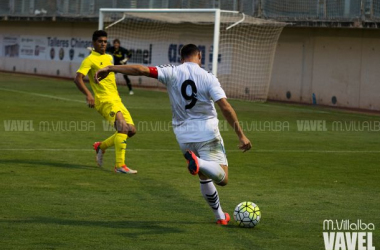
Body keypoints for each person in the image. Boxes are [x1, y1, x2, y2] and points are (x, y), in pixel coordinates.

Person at [95, 44, 252, 225]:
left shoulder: (171, 71)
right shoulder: (208, 77)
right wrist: (241, 135)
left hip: (183, 137)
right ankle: (198, 162)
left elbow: (140, 69)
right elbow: (225, 107)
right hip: (207, 133)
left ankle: (220, 216)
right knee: (223, 178)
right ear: (199, 56)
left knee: (204, 174)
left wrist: (110, 67)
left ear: (181, 58)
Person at [74, 30, 137, 174]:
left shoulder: (109, 58)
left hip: (116, 98)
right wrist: (89, 94)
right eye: (100, 41)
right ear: (94, 43)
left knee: (131, 130)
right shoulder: (89, 60)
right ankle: (120, 166)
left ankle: (101, 146)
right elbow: (77, 78)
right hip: (103, 100)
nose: (103, 44)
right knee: (122, 128)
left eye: (104, 41)